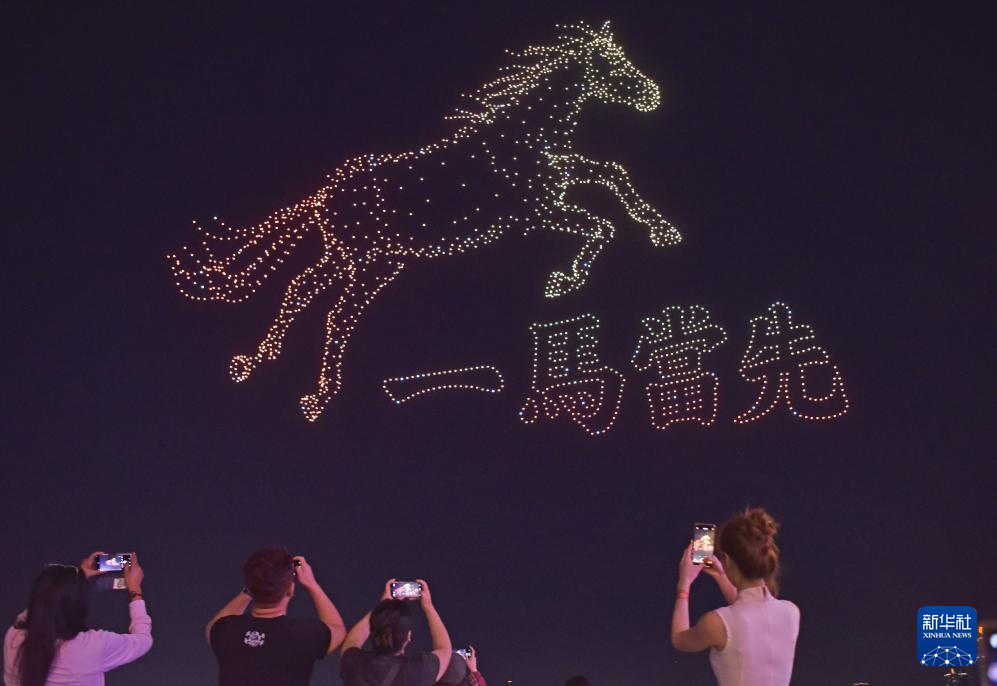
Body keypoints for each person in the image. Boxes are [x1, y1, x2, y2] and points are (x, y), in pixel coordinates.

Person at [671, 507, 800, 686]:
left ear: (727, 560)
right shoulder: (791, 612)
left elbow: (679, 639)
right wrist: (721, 575)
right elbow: (750, 618)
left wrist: (684, 583)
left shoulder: (716, 623)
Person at [3, 551, 152, 686]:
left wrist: (77, 578)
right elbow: (142, 640)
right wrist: (135, 590)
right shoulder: (89, 647)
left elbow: (42, 606)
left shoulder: (14, 638)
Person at [206, 546, 346, 686]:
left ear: (249, 585)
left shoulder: (225, 631)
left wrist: (252, 587)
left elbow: (214, 625)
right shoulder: (304, 634)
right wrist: (311, 583)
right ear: (290, 589)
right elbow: (337, 629)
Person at [340, 579, 452, 686]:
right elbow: (444, 648)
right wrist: (428, 606)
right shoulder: (418, 671)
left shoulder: (354, 665)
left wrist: (383, 607)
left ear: (373, 630)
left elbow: (353, 639)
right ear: (408, 636)